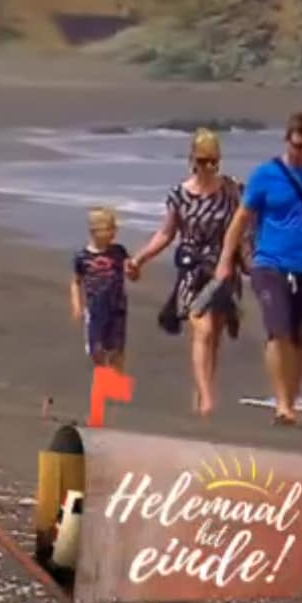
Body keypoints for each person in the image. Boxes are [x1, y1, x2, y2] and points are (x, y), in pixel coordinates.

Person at [215, 112, 302, 426]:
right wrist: (226, 260)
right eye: (299, 146)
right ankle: (281, 403)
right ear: (288, 141)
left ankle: (292, 400)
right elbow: (240, 219)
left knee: (301, 336)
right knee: (278, 329)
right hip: (270, 263)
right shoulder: (266, 175)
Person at [125, 128, 247, 417]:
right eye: (203, 160)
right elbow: (166, 234)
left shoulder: (232, 190)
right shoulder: (180, 195)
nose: (208, 167)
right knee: (202, 329)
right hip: (192, 269)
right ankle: (206, 397)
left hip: (223, 268)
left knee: (214, 332)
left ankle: (203, 387)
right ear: (192, 159)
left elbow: (246, 227)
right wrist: (140, 259)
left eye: (213, 161)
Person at [71, 206, 130, 371]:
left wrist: (133, 270)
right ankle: (103, 378)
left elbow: (131, 273)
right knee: (96, 348)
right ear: (94, 231)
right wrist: (77, 305)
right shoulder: (82, 257)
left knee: (117, 349)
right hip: (95, 308)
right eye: (109, 228)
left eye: (114, 228)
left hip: (117, 306)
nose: (114, 232)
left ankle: (117, 385)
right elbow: (76, 282)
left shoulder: (119, 252)